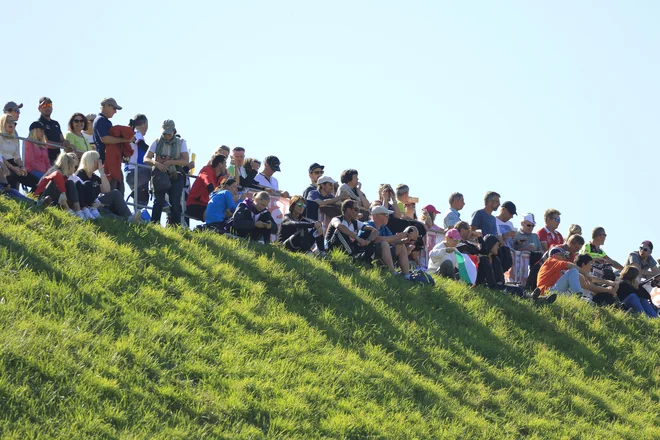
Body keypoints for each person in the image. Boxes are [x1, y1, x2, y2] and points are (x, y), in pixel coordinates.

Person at [144, 120, 190, 226]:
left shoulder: (181, 142)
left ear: (173, 131)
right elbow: (146, 158)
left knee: (175, 202)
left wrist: (170, 162)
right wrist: (156, 163)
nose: (167, 136)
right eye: (164, 133)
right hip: (160, 174)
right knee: (158, 201)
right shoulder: (156, 141)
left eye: (169, 133)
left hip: (176, 173)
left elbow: (185, 161)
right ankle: (154, 224)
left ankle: (175, 226)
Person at [74, 151, 134, 220]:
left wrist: (102, 173)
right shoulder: (80, 174)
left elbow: (106, 190)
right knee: (107, 213)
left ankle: (129, 216)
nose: (100, 162)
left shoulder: (94, 177)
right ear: (91, 161)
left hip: (97, 203)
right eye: (98, 160)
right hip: (88, 205)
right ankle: (127, 221)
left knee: (115, 193)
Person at [34, 152, 85, 219]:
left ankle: (78, 211)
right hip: (42, 197)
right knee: (54, 184)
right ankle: (41, 202)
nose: (75, 169)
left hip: (53, 198)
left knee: (70, 183)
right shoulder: (57, 174)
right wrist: (68, 210)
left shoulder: (64, 178)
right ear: (69, 166)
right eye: (74, 167)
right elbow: (63, 197)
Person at [365, 206, 411, 279]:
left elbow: (393, 240)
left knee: (401, 245)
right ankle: (392, 272)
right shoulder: (368, 225)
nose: (388, 217)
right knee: (384, 243)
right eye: (386, 215)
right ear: (376, 215)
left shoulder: (384, 227)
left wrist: (403, 240)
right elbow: (376, 239)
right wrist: (396, 237)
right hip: (371, 253)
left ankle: (407, 276)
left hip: (384, 252)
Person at [1, 114, 39, 191]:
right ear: (2, 123)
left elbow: (17, 155)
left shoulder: (14, 137)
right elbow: (0, 155)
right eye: (8, 121)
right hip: (3, 163)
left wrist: (22, 167)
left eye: (13, 122)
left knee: (36, 181)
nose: (11, 124)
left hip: (13, 162)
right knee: (12, 177)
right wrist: (13, 168)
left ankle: (34, 200)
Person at [186, 153, 227, 221]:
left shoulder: (220, 177)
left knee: (226, 213)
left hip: (206, 205)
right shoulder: (206, 170)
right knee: (215, 213)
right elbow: (209, 185)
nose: (226, 166)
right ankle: (208, 228)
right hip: (194, 204)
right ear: (220, 165)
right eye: (225, 164)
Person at [125, 114, 150, 207]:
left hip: (130, 171)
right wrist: (154, 153)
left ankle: (137, 217)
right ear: (144, 124)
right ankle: (163, 201)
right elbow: (142, 145)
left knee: (140, 199)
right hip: (137, 170)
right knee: (142, 198)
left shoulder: (130, 133)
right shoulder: (136, 133)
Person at [37, 97, 72, 165]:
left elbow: (61, 139)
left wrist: (66, 143)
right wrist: (62, 144)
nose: (47, 108)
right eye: (44, 106)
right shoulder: (38, 124)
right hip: (45, 159)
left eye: (49, 105)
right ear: (39, 108)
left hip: (57, 158)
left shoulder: (56, 123)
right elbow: (46, 143)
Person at [93, 97, 128, 162]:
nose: (115, 112)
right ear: (106, 106)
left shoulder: (105, 121)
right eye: (114, 108)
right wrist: (125, 139)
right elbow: (105, 139)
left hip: (110, 160)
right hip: (105, 161)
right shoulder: (100, 120)